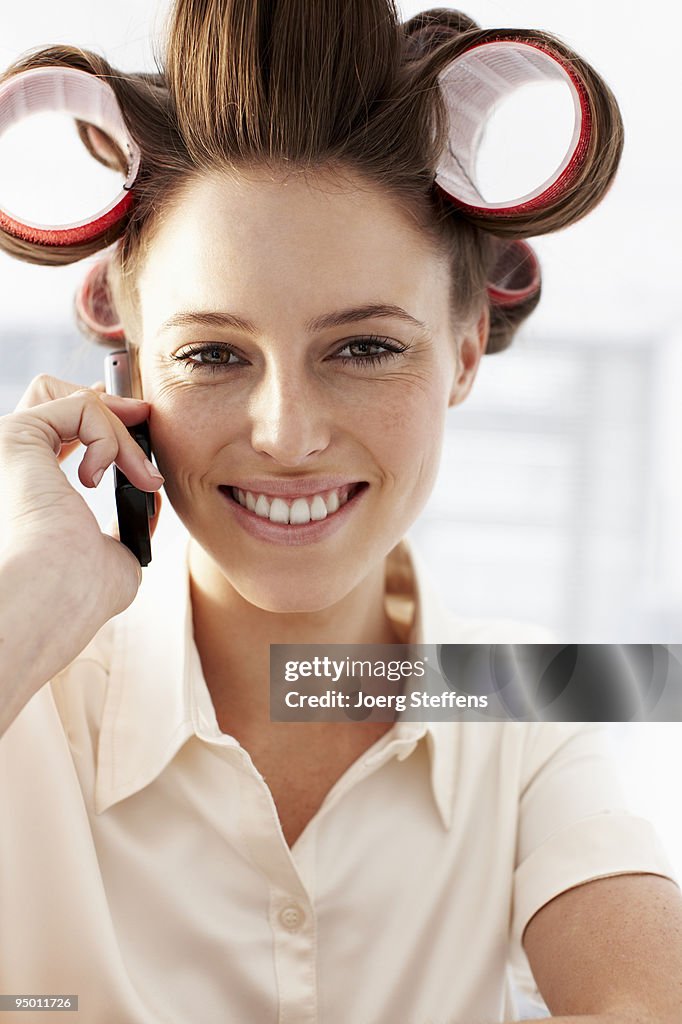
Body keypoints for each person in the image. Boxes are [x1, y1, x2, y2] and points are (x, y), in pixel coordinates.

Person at [0, 2, 681, 1022]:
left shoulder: (525, 693)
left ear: (461, 349)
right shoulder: (27, 693)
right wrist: (30, 597)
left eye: (363, 347)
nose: (285, 433)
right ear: (129, 365)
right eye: (211, 354)